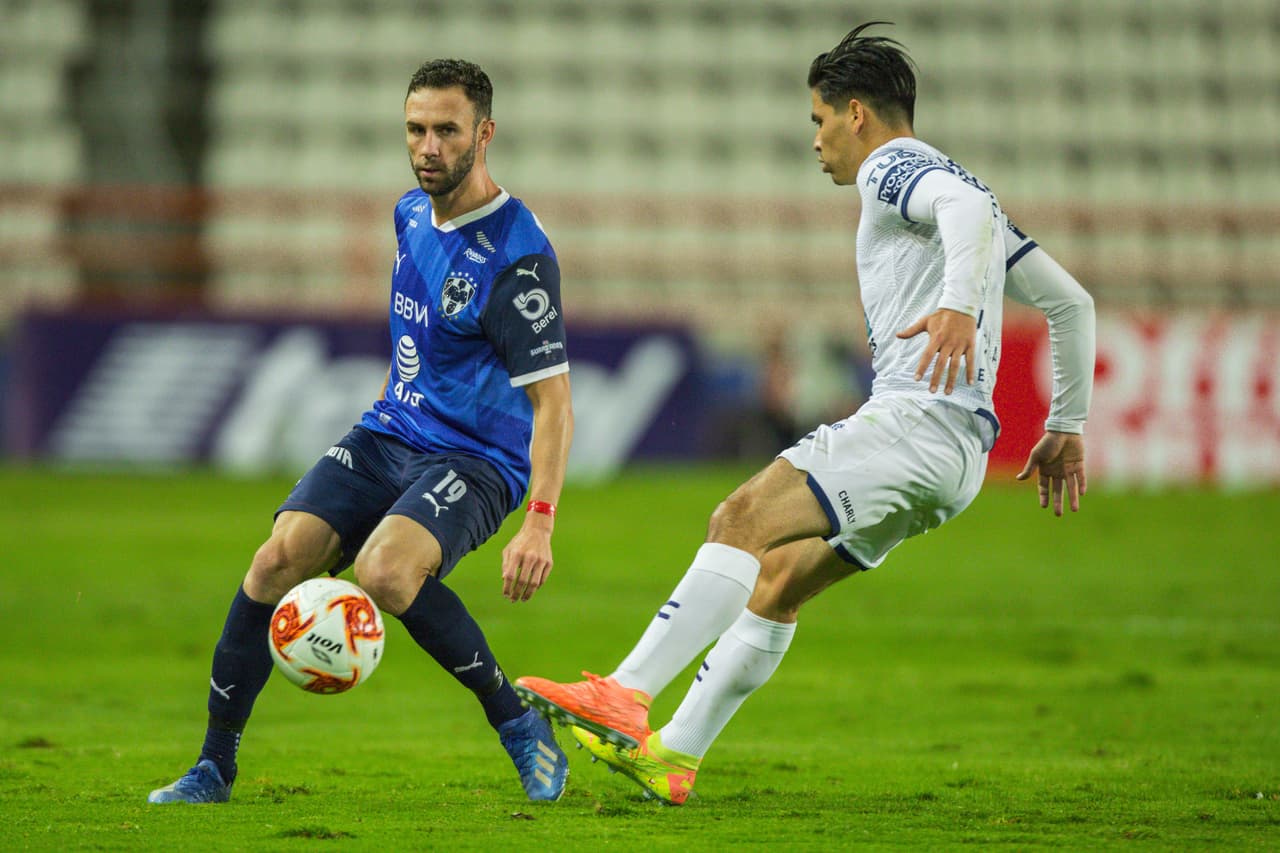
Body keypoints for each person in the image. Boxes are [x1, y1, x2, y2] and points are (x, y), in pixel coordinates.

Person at [514, 22, 1095, 805]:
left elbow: (959, 209)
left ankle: (627, 689)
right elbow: (1071, 300)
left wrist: (958, 305)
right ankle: (674, 755)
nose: (815, 140)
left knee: (739, 518)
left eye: (818, 121)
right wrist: (1068, 422)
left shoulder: (893, 166)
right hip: (958, 459)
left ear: (856, 113)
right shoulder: (970, 191)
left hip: (916, 422)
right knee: (778, 581)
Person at [149, 59, 574, 804]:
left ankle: (518, 724)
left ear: (485, 133)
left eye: (447, 130)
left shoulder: (517, 256)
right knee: (277, 558)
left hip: (475, 458)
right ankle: (213, 766)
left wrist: (537, 522)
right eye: (416, 129)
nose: (428, 146)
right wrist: (383, 420)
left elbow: (556, 404)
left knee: (385, 571)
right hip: (391, 429)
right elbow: (419, 338)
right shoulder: (410, 213)